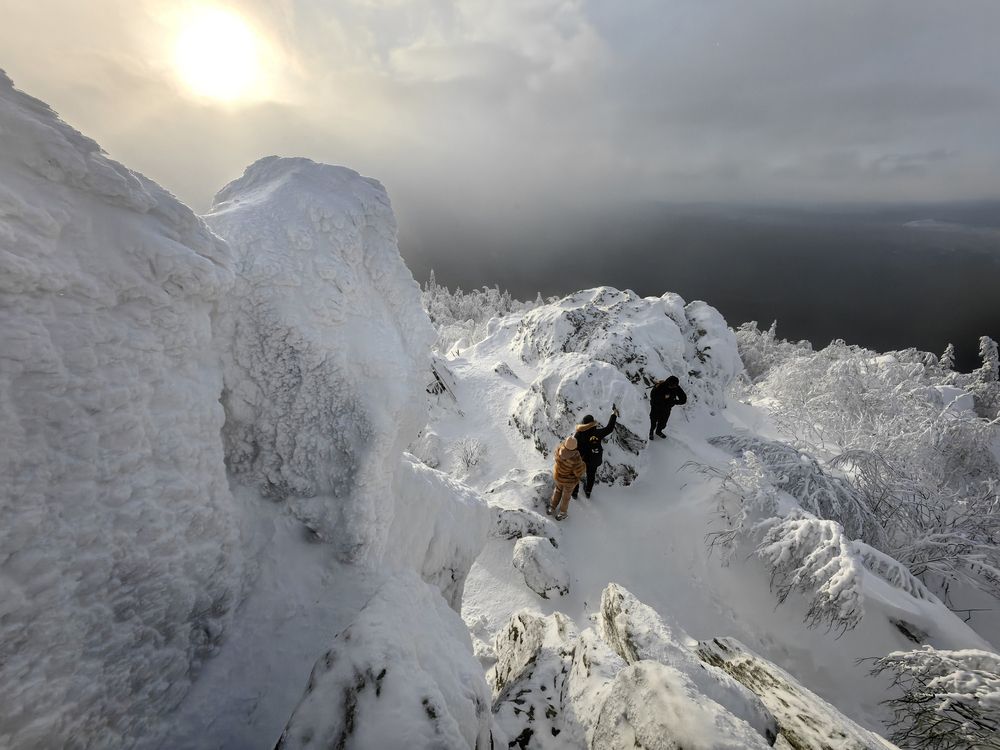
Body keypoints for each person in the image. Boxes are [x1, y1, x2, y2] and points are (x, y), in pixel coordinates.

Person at [572, 405, 619, 499]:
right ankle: (588, 491)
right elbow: (609, 428)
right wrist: (614, 414)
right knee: (591, 475)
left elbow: (573, 447)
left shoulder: (579, 434)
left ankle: (574, 493)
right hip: (594, 459)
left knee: (576, 474)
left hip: (582, 459)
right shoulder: (597, 433)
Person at [548, 435, 586, 520]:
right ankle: (562, 513)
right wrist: (583, 465)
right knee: (566, 497)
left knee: (557, 491)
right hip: (569, 481)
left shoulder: (559, 450)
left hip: (559, 477)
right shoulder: (575, 458)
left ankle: (552, 507)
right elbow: (579, 472)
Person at [648, 376, 687, 440]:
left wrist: (674, 402)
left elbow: (683, 399)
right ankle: (651, 432)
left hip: (666, 409)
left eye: (674, 386)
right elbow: (653, 397)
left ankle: (658, 432)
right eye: (672, 386)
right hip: (656, 408)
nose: (673, 387)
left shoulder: (676, 387)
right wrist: (665, 400)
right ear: (668, 383)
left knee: (663, 423)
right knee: (653, 421)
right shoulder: (659, 387)